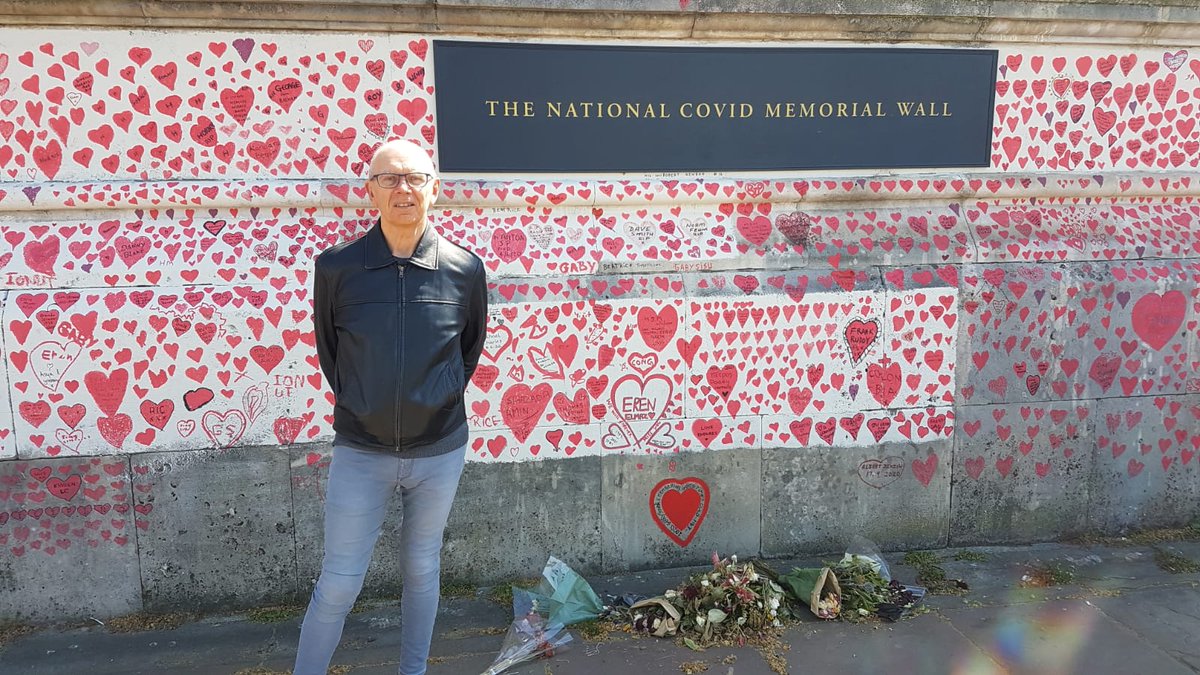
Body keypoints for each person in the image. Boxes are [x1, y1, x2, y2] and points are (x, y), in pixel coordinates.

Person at [295, 139, 488, 675]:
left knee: (423, 571)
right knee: (338, 582)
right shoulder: (336, 268)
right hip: (361, 451)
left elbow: (466, 351)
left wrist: (435, 402)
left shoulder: (464, 270)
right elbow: (331, 354)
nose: (403, 188)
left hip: (439, 452)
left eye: (415, 178)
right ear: (370, 192)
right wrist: (366, 405)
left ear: (435, 190)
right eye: (389, 179)